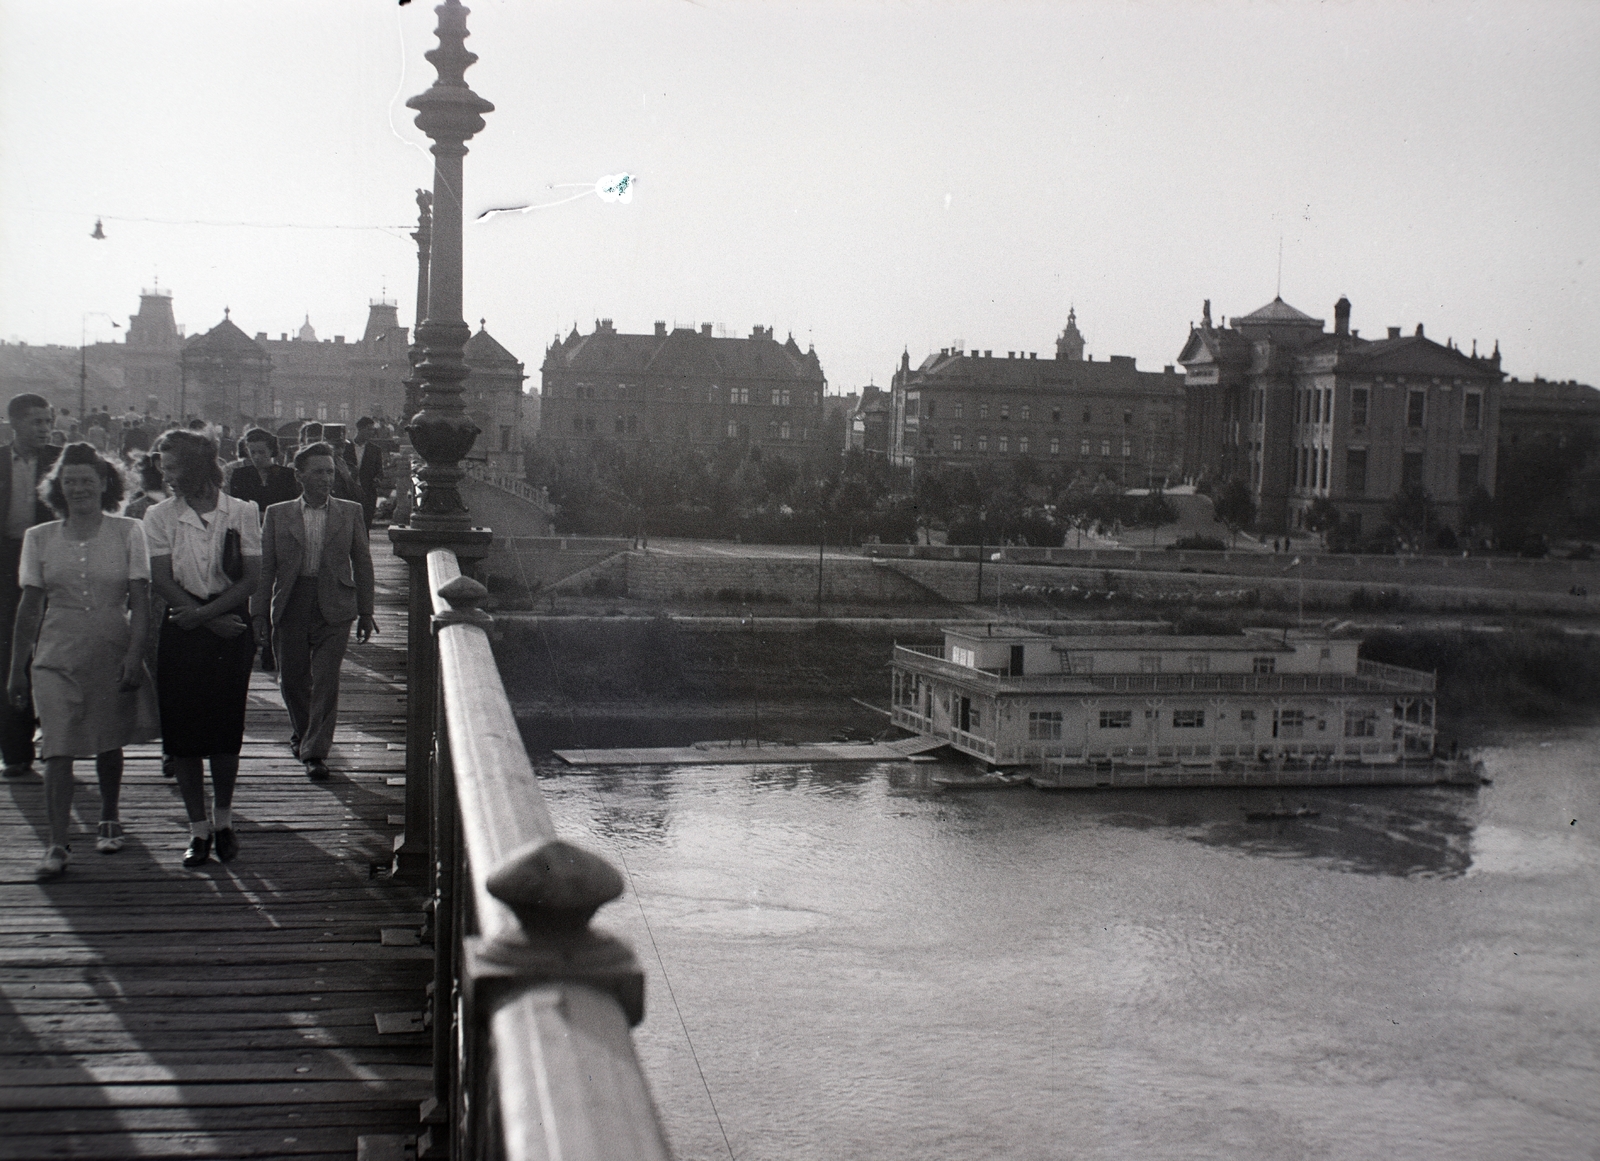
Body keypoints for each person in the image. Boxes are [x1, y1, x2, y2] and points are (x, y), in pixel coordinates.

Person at [7, 444, 158, 878]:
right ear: (57, 488)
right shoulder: (39, 538)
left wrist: (135, 653)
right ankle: (57, 843)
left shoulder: (130, 530)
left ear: (105, 484)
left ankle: (109, 814)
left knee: (109, 738)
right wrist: (16, 668)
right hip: (55, 653)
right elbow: (29, 608)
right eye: (69, 481)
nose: (78, 489)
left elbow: (142, 601)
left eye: (86, 481)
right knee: (56, 747)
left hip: (111, 646)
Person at [145, 430, 262, 867]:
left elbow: (252, 578)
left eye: (171, 466)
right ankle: (197, 830)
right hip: (185, 624)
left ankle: (223, 820)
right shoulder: (159, 515)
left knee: (223, 732)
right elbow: (161, 578)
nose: (164, 474)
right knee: (184, 735)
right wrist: (202, 618)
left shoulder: (242, 511)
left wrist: (212, 617)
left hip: (232, 625)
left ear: (195, 467)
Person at [253, 442, 376, 781]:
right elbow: (267, 568)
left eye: (330, 472)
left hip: (335, 605)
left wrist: (366, 611)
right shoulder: (277, 514)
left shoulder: (350, 512)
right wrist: (259, 614)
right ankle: (304, 733)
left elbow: (363, 562)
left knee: (325, 680)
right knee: (292, 679)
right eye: (318, 472)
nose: (326, 478)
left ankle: (315, 752)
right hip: (292, 601)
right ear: (300, 475)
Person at [0, 393, 63, 780]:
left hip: (50, 561)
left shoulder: (61, 460)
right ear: (14, 424)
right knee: (10, 652)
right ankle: (16, 750)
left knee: (54, 650)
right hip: (6, 564)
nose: (43, 428)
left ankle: (57, 743)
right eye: (35, 421)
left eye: (46, 421)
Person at [227, 428, 300, 516]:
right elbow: (236, 507)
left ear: (271, 450)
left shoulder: (287, 475)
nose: (257, 457)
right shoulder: (240, 475)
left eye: (261, 452)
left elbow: (291, 507)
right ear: (247, 452)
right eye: (253, 452)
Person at [345, 417, 384, 530]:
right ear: (359, 429)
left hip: (368, 493)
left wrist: (377, 479)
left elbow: (380, 472)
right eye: (369, 429)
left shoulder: (375, 450)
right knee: (348, 527)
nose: (371, 432)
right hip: (349, 493)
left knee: (365, 527)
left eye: (373, 430)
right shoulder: (345, 447)